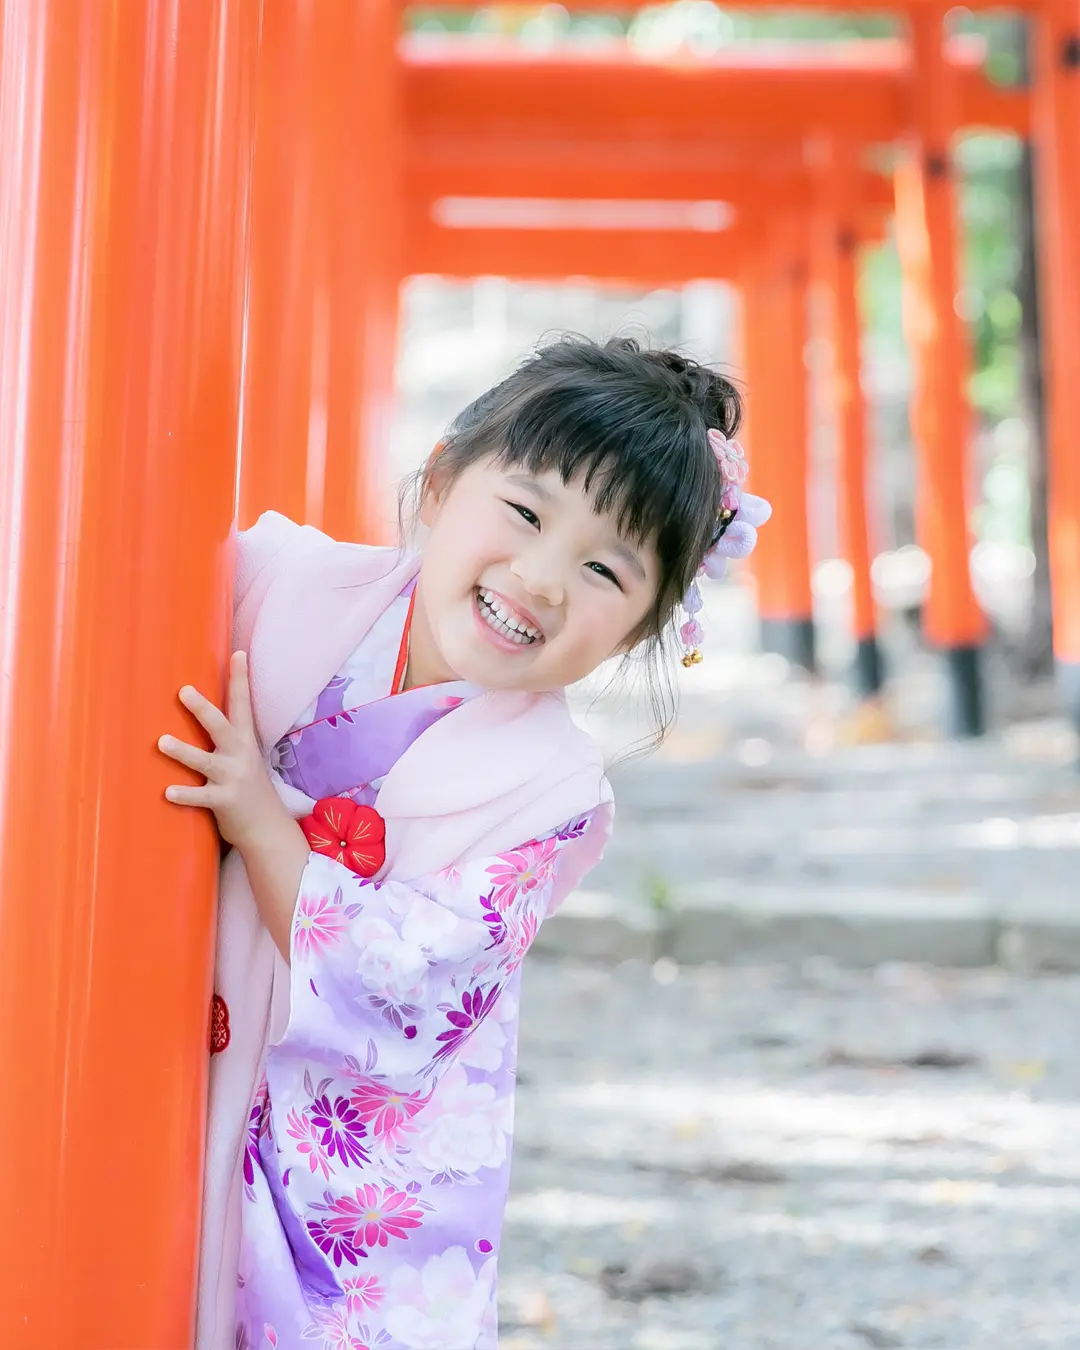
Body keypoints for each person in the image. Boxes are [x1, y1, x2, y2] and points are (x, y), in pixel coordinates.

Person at [158, 335, 770, 1350]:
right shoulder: (282, 583)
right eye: (526, 514)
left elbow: (407, 983)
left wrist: (265, 826)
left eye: (605, 569)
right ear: (441, 481)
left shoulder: (551, 794)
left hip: (336, 1147)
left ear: (643, 627)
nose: (539, 578)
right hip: (181, 1033)